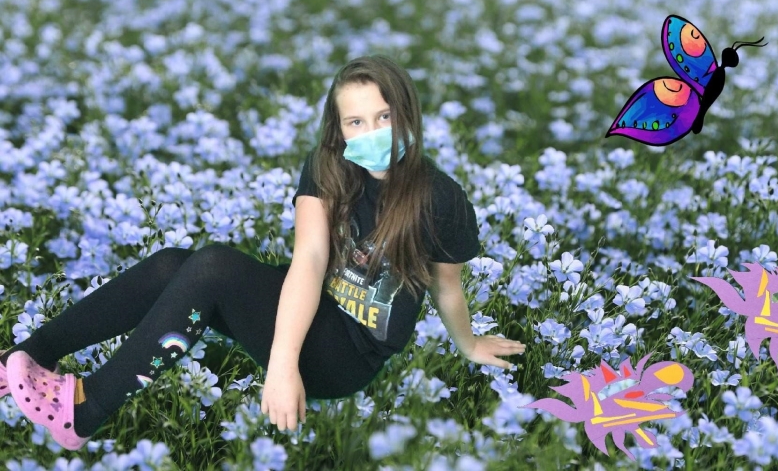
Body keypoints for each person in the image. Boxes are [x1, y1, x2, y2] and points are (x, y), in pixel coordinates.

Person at [0, 54, 526, 451]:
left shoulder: (441, 199)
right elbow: (310, 261)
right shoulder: (328, 166)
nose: (372, 133)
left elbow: (445, 285)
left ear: (408, 115)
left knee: (213, 267)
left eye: (385, 117)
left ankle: (87, 409)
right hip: (303, 309)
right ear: (339, 130)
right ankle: (24, 357)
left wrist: (469, 344)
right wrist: (280, 360)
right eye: (356, 122)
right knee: (173, 266)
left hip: (344, 355)